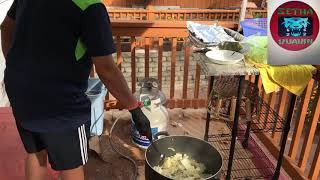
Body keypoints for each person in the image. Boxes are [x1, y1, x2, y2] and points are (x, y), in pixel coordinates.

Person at [0, 0, 152, 180]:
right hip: (60, 102)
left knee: (36, 153)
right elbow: (106, 69)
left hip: (20, 89)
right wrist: (134, 108)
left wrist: (14, 64)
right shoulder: (90, 7)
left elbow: (5, 27)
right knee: (72, 165)